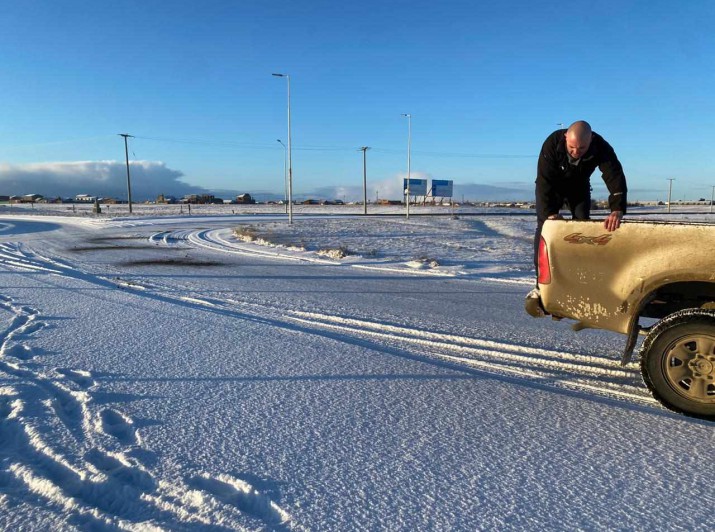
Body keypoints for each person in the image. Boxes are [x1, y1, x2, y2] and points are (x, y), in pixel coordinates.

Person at [526, 120, 628, 310]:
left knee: (582, 228)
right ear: (566, 137)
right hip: (552, 187)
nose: (576, 152)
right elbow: (543, 183)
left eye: (582, 148)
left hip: (578, 187)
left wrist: (617, 208)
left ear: (591, 140)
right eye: (572, 147)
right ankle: (540, 285)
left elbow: (614, 176)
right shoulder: (552, 143)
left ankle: (578, 281)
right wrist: (549, 214)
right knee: (545, 230)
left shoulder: (601, 146)